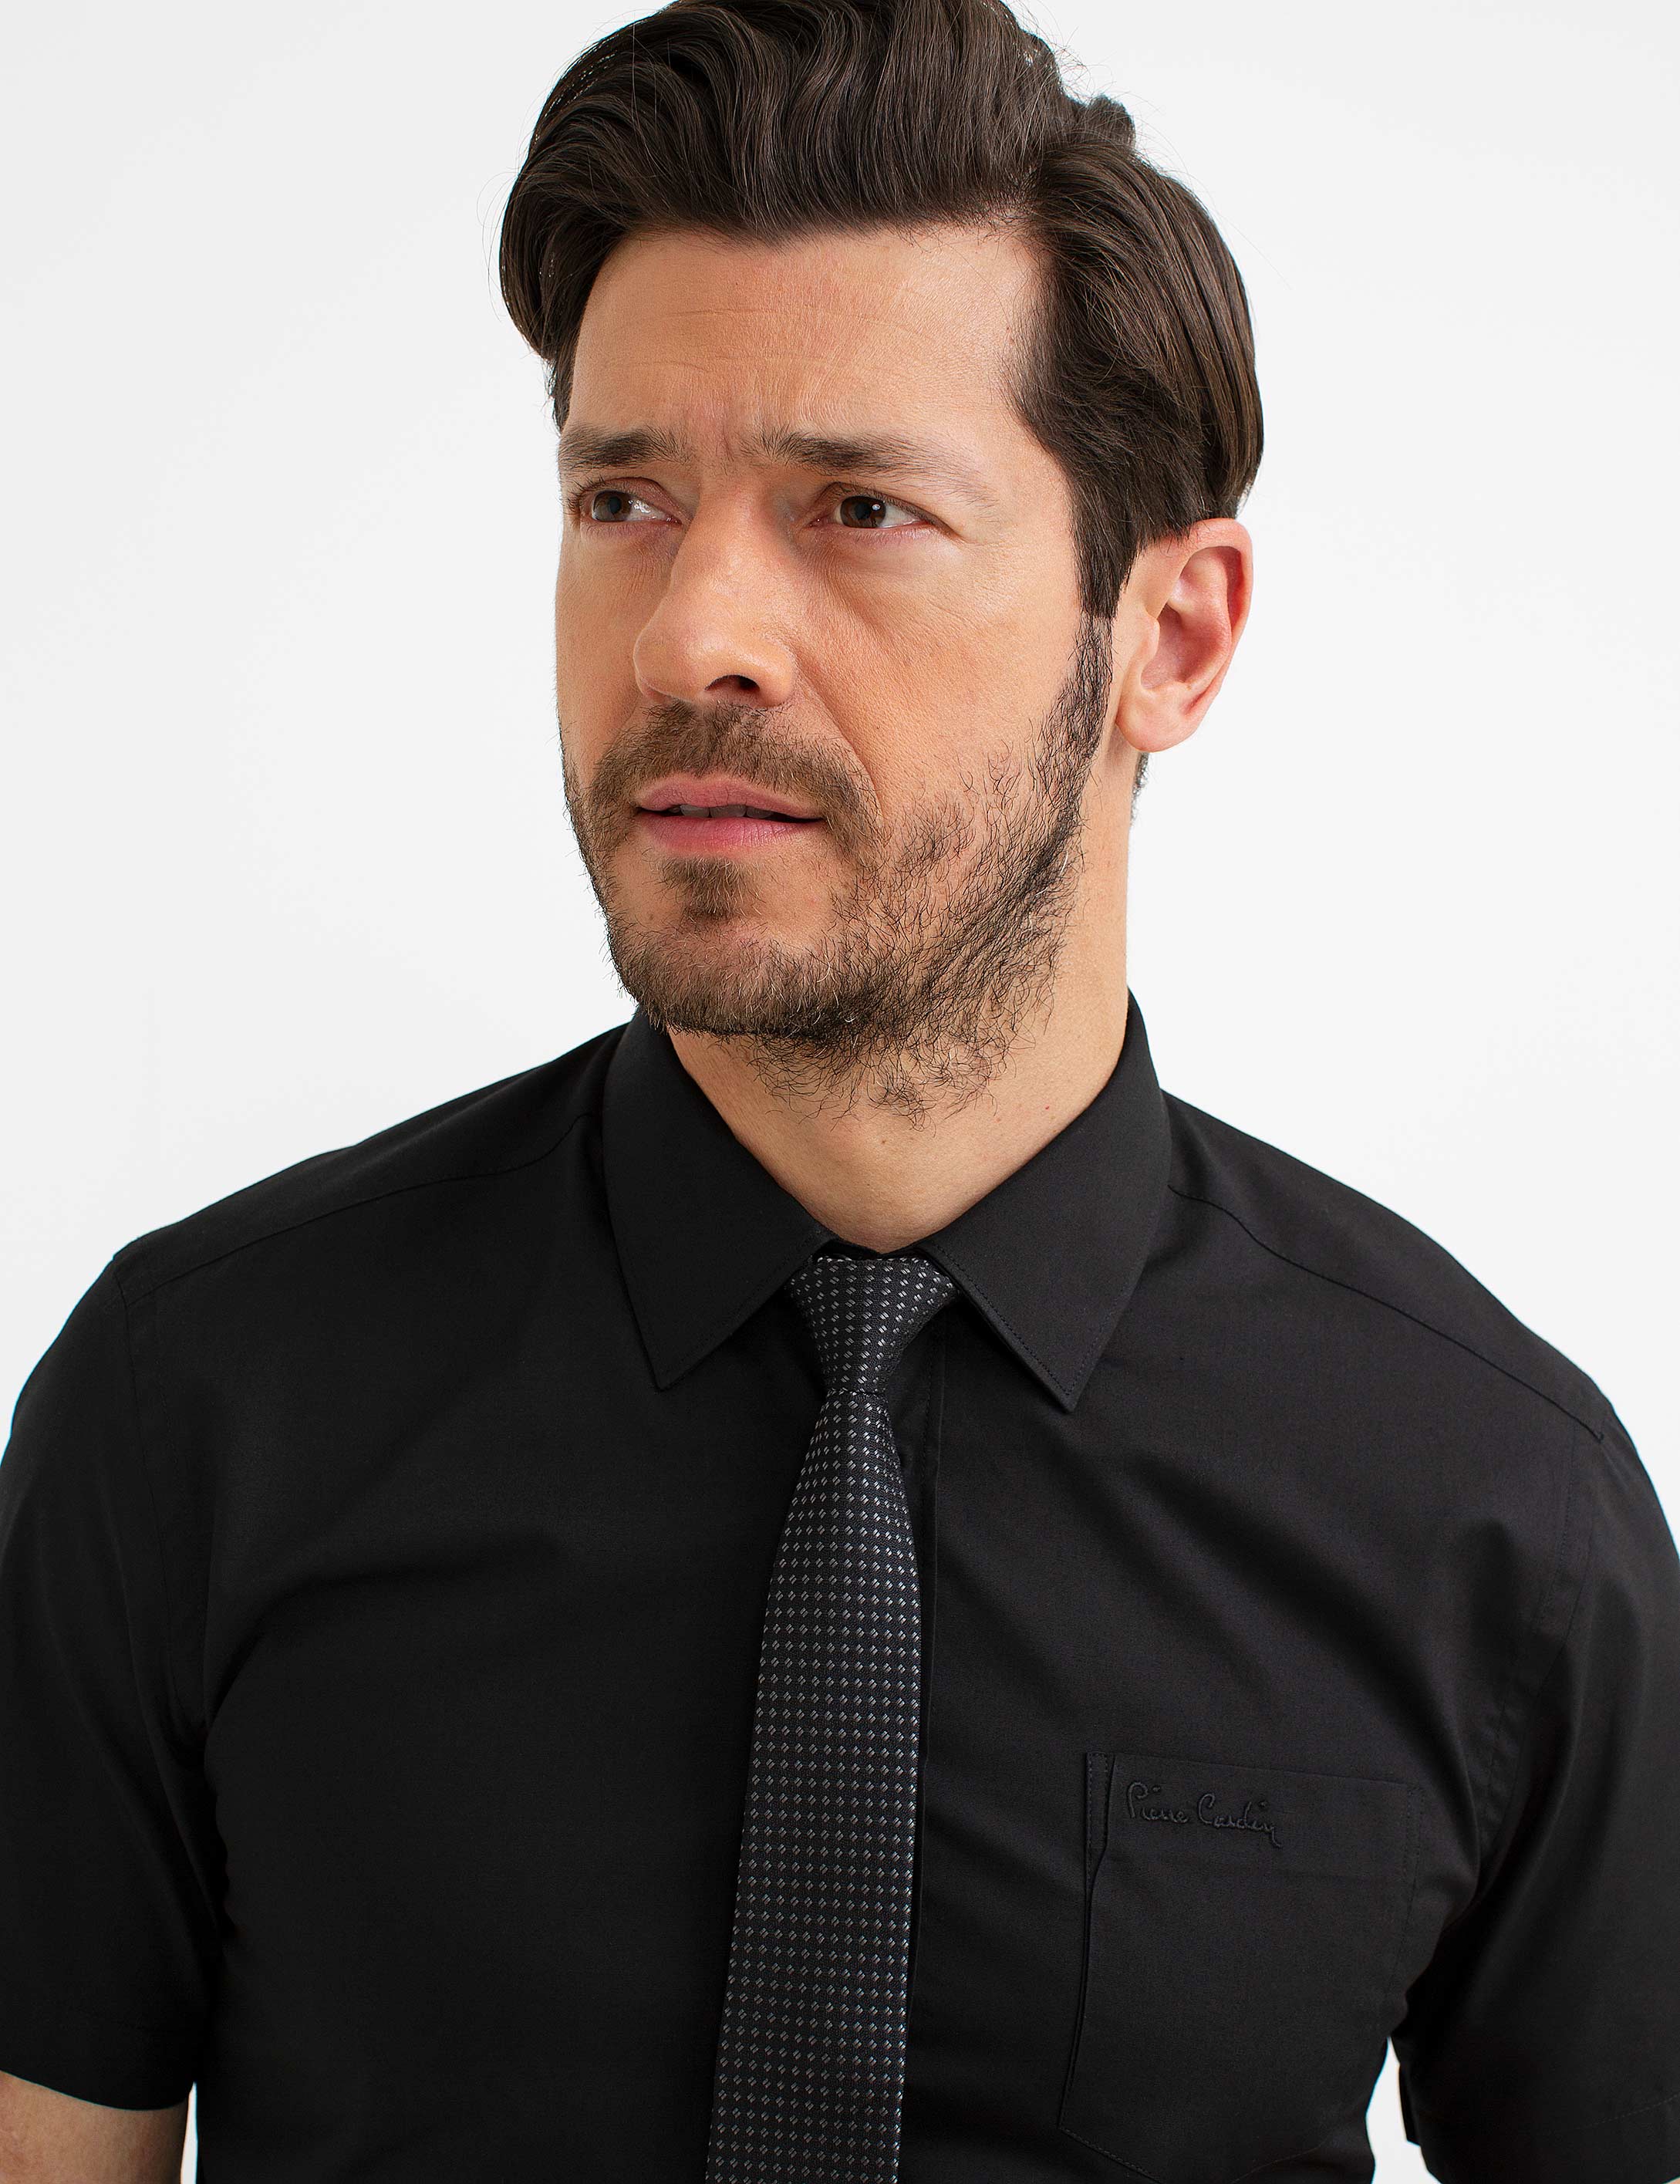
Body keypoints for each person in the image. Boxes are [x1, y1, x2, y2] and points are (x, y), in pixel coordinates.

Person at [2, 0, 1677, 2176]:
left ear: (1170, 638)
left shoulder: (1498, 1515)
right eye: (623, 498)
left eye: (859, 508)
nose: (689, 633)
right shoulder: (193, 1413)